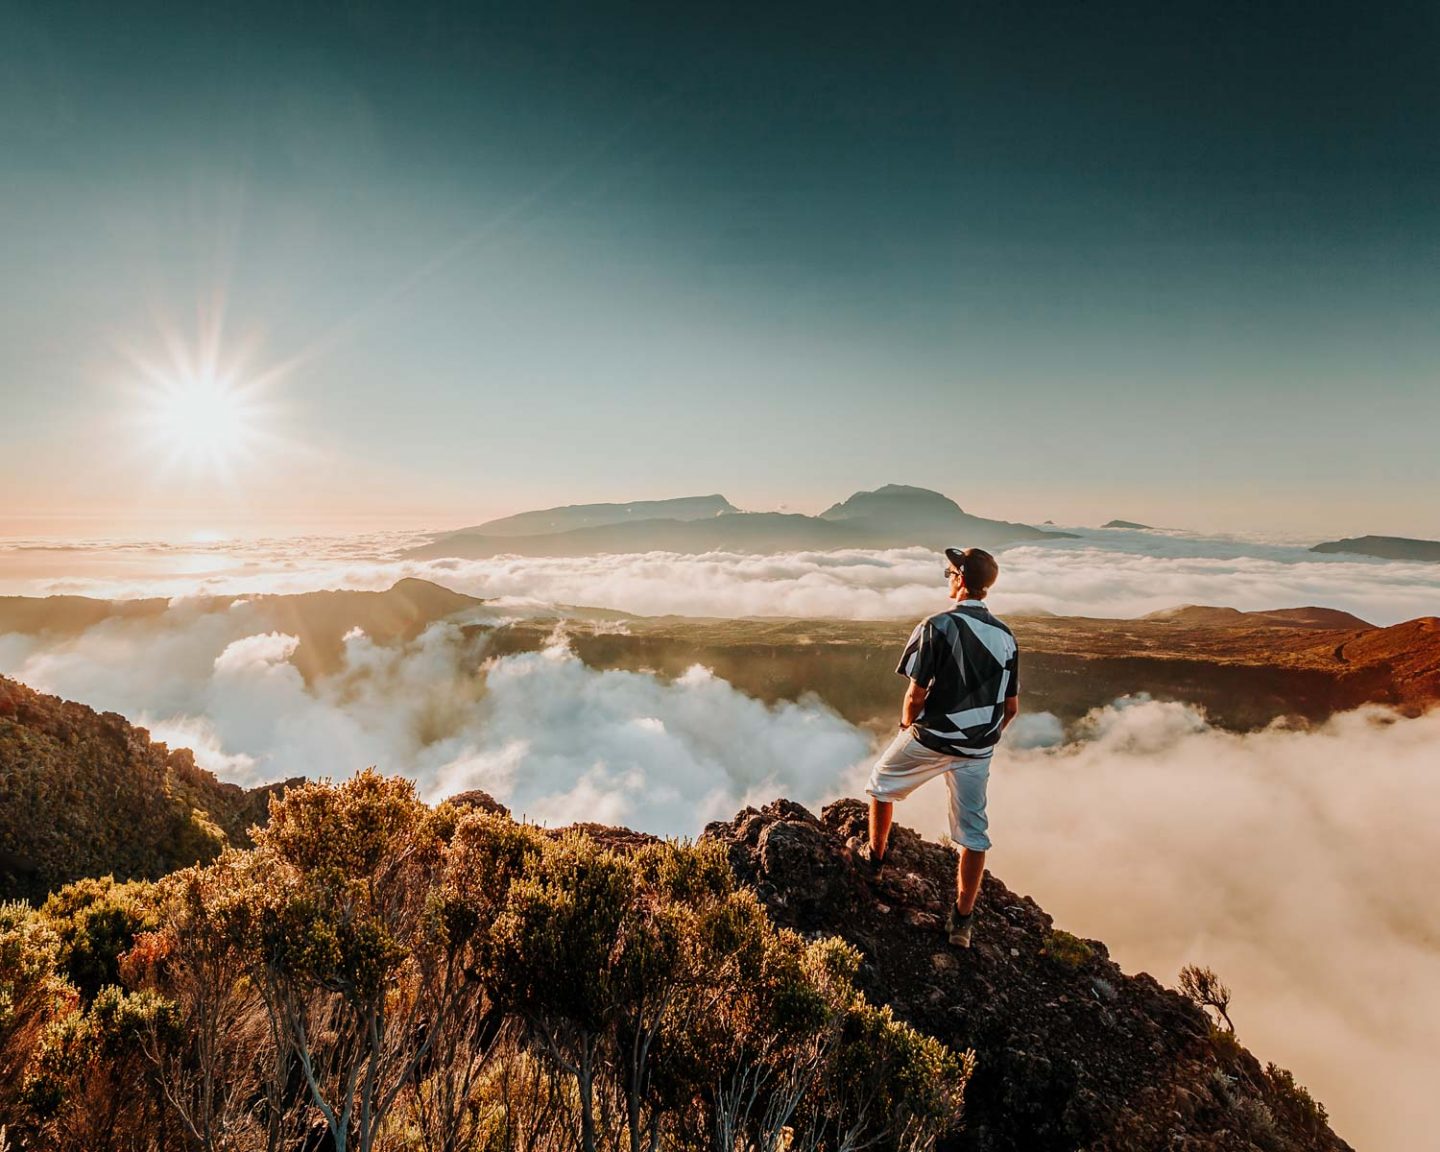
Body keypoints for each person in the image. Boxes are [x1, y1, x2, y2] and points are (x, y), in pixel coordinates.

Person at [859, 546, 1020, 948]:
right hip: (977, 749)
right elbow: (1011, 707)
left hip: (931, 736)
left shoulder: (936, 626)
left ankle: (874, 861)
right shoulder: (1006, 637)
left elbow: (915, 695)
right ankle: (962, 922)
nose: (948, 577)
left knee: (880, 784)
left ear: (962, 580)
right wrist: (983, 737)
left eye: (949, 572)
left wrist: (905, 729)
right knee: (973, 835)